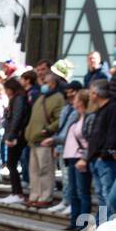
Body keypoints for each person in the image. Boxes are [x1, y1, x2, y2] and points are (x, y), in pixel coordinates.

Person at [24, 71, 65, 208]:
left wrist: (47, 130)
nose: (42, 84)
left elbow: (60, 119)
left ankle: (46, 196)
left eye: (45, 82)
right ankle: (34, 195)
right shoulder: (42, 97)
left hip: (45, 140)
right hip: (34, 140)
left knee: (45, 170)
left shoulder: (58, 98)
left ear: (52, 83)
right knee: (34, 171)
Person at [46, 82, 81, 217]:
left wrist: (56, 141)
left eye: (72, 91)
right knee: (66, 177)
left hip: (74, 148)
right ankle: (65, 200)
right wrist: (57, 145)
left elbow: (71, 131)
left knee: (71, 179)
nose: (69, 94)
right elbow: (61, 127)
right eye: (68, 91)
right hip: (63, 146)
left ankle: (71, 203)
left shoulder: (79, 111)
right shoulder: (67, 108)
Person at [63, 89, 94, 231]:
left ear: (81, 101)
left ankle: (83, 223)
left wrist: (85, 158)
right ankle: (74, 221)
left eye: (76, 99)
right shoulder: (76, 117)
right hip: (71, 157)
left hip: (81, 157)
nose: (73, 101)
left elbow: (90, 140)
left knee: (83, 192)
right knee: (73, 192)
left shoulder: (89, 118)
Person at [0, 75, 31, 206]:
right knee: (11, 164)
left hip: (16, 135)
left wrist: (11, 134)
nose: (6, 92)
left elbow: (17, 117)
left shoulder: (19, 99)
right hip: (15, 134)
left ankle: (17, 193)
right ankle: (15, 192)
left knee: (12, 163)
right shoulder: (18, 98)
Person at [85, 78, 116, 218]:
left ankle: (105, 230)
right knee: (102, 197)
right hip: (98, 159)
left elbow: (111, 134)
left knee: (108, 197)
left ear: (96, 93)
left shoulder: (112, 108)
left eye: (91, 92)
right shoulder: (101, 110)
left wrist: (104, 153)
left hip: (105, 160)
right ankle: (101, 228)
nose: (89, 95)